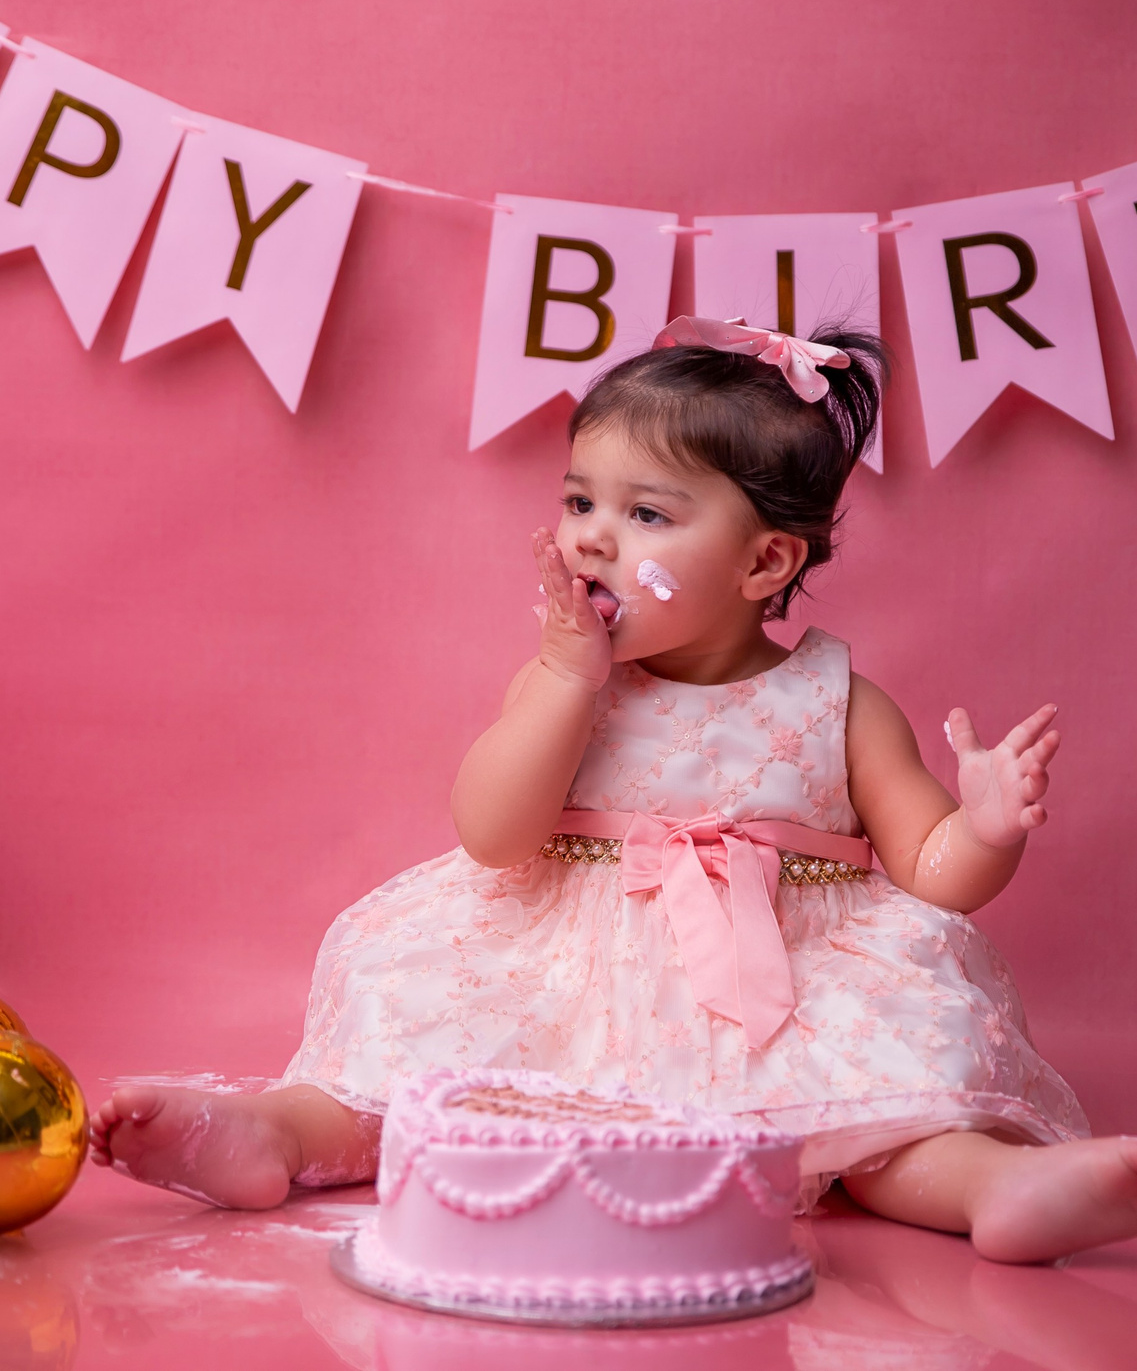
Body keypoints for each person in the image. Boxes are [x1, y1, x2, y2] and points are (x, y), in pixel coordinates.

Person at [91, 317, 1137, 1262]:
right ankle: (272, 1133)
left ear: (765, 559)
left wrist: (988, 824)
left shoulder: (843, 702)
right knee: (417, 1067)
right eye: (580, 499)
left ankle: (1000, 1186)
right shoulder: (567, 684)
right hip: (557, 975)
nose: (593, 534)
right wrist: (564, 679)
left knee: (880, 1121)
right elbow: (494, 835)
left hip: (775, 989)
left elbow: (934, 873)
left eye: (644, 513)